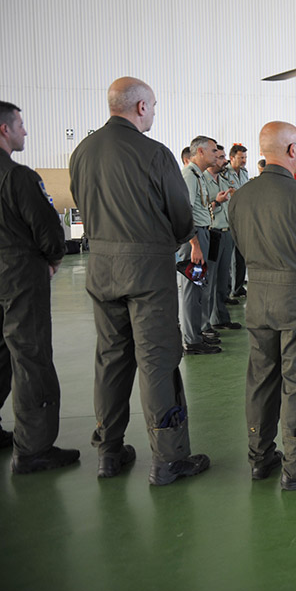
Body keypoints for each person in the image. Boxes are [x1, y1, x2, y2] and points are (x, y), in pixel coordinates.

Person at [69, 76, 210, 485]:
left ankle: (109, 452)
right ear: (141, 108)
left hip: (101, 269)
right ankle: (169, 458)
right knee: (157, 360)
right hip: (146, 271)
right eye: (154, 105)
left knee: (111, 361)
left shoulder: (82, 151)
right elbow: (182, 217)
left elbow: (83, 203)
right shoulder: (154, 154)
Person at [228, 121, 296, 490]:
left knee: (260, 378)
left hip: (258, 298)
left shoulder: (240, 197)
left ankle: (261, 458)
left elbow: (240, 249)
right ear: (292, 151)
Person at [0, 101, 80, 473]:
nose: (25, 132)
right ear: (4, 130)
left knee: (2, 353)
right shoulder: (18, 177)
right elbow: (48, 228)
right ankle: (33, 449)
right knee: (30, 359)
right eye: (20, 125)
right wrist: (53, 257)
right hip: (20, 276)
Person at [179, 136, 227, 354]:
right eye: (213, 151)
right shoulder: (190, 175)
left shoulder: (198, 175)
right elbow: (185, 211)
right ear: (200, 152)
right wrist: (195, 244)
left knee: (199, 286)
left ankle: (197, 334)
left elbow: (199, 206)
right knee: (192, 288)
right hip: (195, 236)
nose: (216, 155)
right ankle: (191, 340)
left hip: (202, 233)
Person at [204, 145, 241, 331]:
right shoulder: (202, 181)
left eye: (224, 157)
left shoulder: (225, 180)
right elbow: (198, 209)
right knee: (209, 281)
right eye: (219, 157)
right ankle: (206, 323)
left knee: (222, 280)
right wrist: (216, 202)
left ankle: (220, 318)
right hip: (212, 233)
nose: (224, 160)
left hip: (227, 233)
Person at [225, 144, 249, 298]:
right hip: (228, 219)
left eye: (245, 157)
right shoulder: (224, 174)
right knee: (228, 257)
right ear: (232, 158)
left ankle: (238, 287)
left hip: (242, 218)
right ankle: (228, 289)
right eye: (241, 158)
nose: (244, 161)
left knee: (240, 255)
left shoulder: (244, 173)